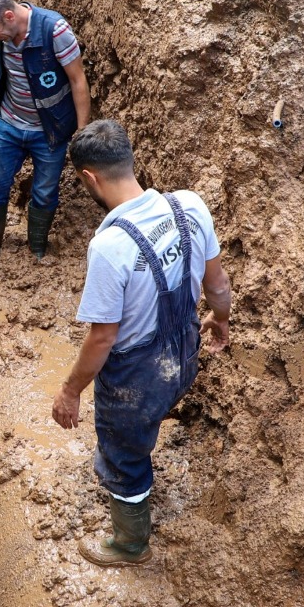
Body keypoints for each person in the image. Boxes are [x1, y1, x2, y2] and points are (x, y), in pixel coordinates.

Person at [50, 119, 232, 567]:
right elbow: (219, 283)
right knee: (153, 410)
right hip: (185, 355)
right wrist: (221, 321)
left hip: (136, 380)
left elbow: (103, 338)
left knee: (123, 454)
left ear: (89, 178)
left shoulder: (110, 246)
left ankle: (130, 545)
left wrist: (71, 390)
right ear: (131, 161)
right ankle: (146, 440)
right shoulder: (189, 206)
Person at [0, 0, 91, 273]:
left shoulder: (54, 30)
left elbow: (78, 80)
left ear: (9, 16)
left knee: (45, 192)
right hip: (8, 123)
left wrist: (82, 133)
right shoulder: (2, 36)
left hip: (50, 129)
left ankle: (37, 246)